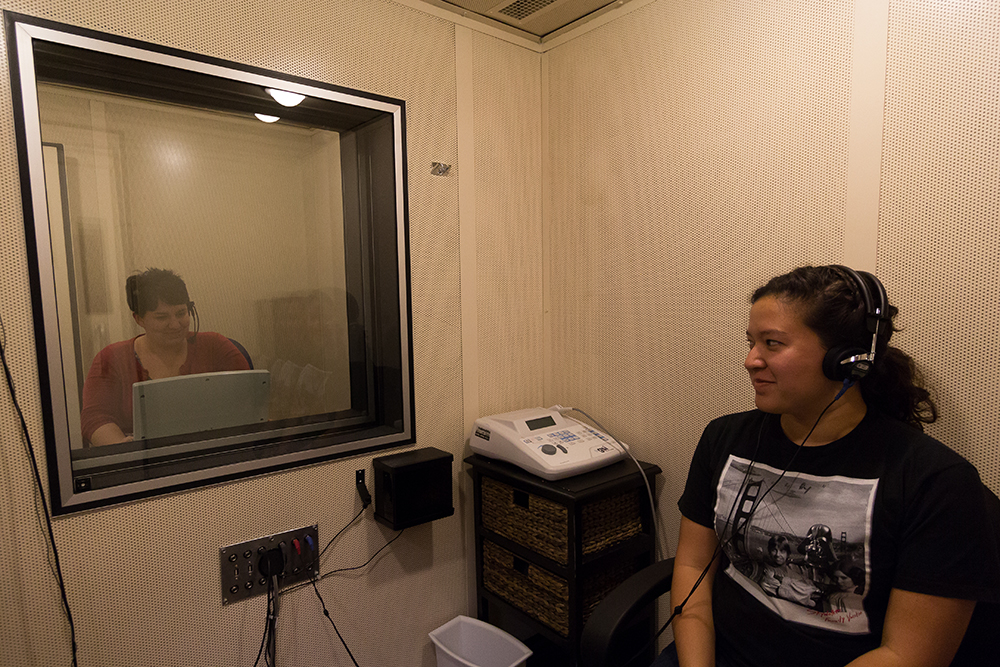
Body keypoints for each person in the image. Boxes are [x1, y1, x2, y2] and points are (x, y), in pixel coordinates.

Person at [657, 265, 1000, 667]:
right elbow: (694, 563)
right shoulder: (723, 438)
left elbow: (907, 654)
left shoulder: (934, 481)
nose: (750, 360)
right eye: (751, 342)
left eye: (772, 343)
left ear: (845, 360)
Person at [80, 268, 249, 446]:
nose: (175, 325)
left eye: (181, 313)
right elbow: (95, 418)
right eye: (162, 317)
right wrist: (123, 448)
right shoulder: (110, 358)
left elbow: (250, 400)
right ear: (139, 319)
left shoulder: (216, 346)